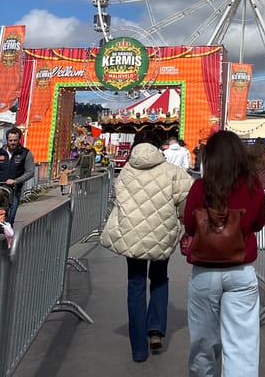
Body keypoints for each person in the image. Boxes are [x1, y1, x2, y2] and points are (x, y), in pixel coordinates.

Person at [100, 128, 193, 363]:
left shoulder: (126, 172)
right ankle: (155, 330)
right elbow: (186, 199)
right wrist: (182, 220)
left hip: (132, 233)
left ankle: (138, 349)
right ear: (158, 146)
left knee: (135, 283)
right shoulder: (173, 172)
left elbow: (118, 197)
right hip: (162, 232)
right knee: (160, 279)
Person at [184, 130, 265, 377]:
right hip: (240, 271)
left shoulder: (200, 187)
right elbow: (258, 223)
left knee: (203, 342)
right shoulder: (253, 187)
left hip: (205, 272)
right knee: (241, 345)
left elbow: (189, 224)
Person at [0, 126, 35, 224]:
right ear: (7, 140)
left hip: (14, 190)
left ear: (19, 140)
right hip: (0, 188)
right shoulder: (0, 152)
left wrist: (16, 181)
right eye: (10, 140)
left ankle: (8, 235)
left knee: (10, 216)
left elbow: (30, 172)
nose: (13, 142)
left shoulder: (26, 153)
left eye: (15, 140)